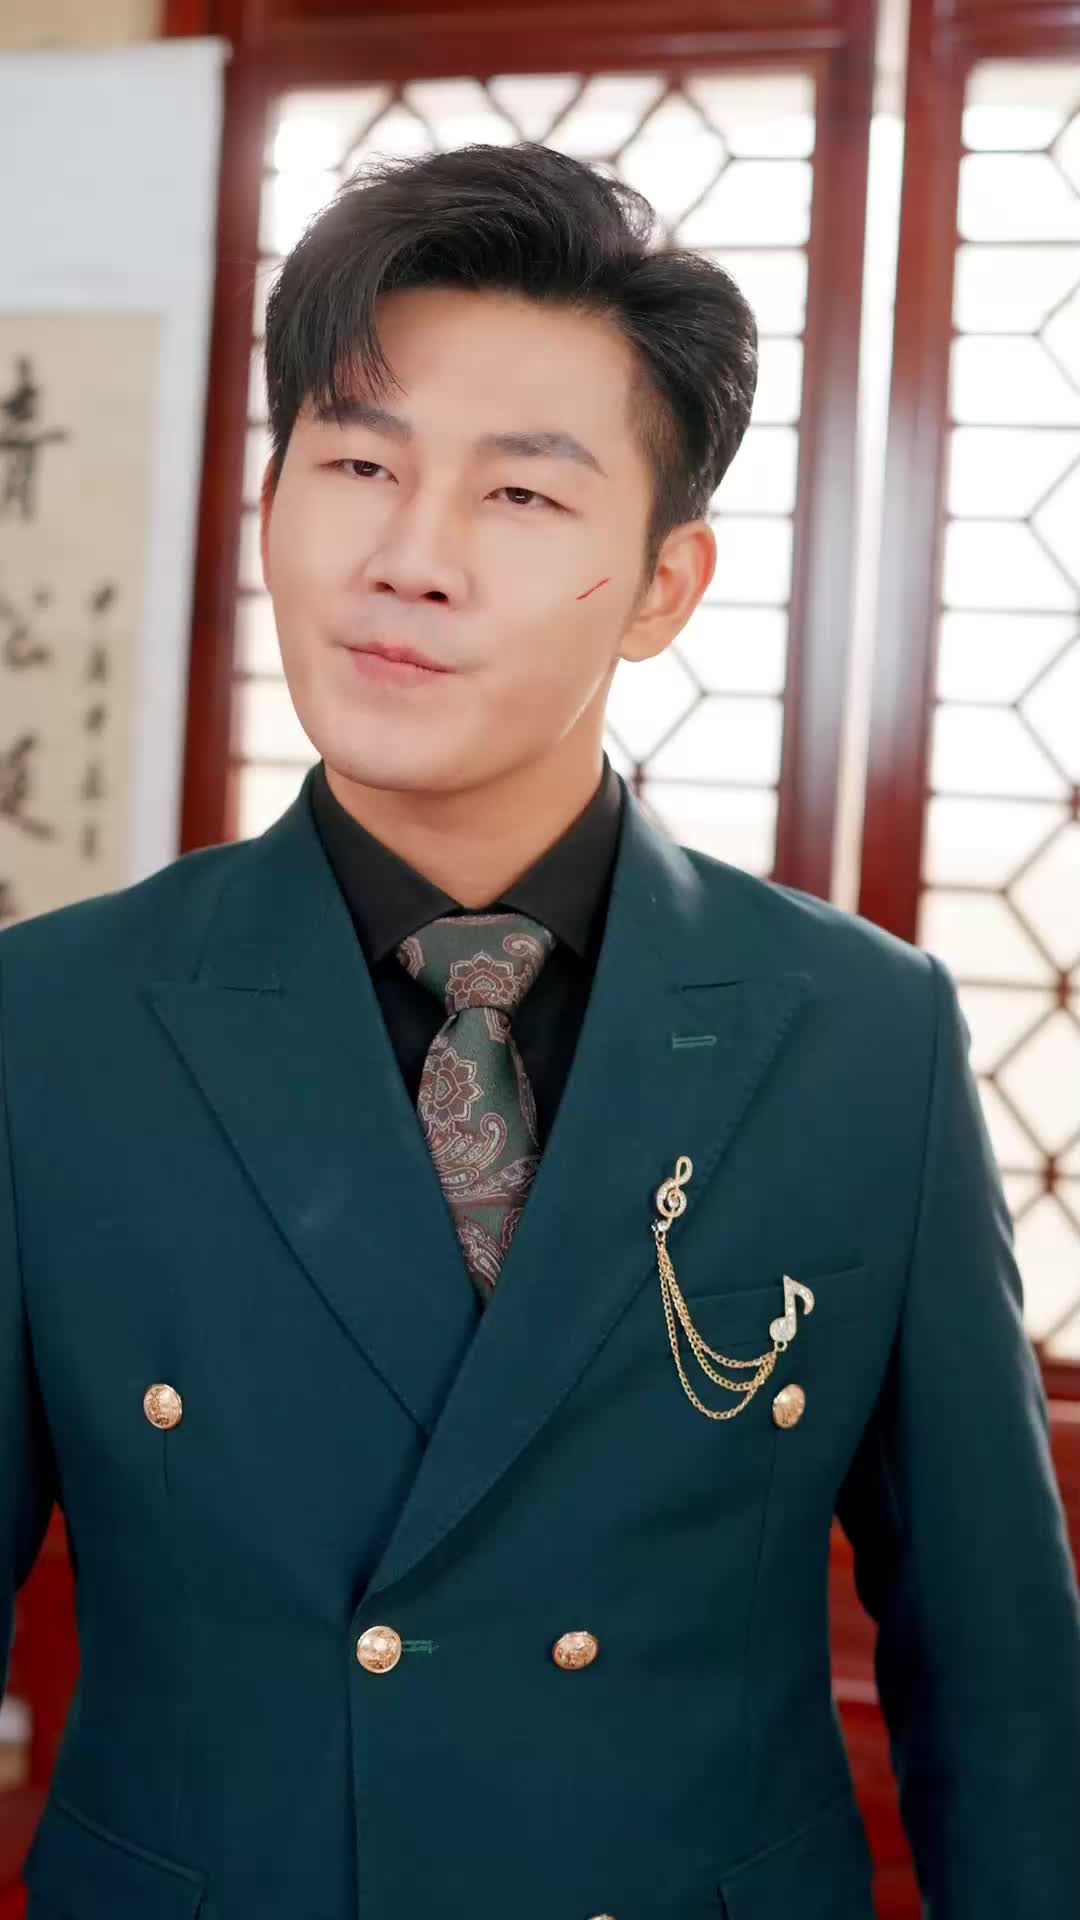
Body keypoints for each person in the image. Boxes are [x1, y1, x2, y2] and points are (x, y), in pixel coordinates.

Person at [2, 142, 1078, 1920]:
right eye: (358, 464)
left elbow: (1000, 1678)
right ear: (269, 503)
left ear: (663, 585)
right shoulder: (53, 1023)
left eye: (518, 495)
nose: (409, 560)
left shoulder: (862, 1035)